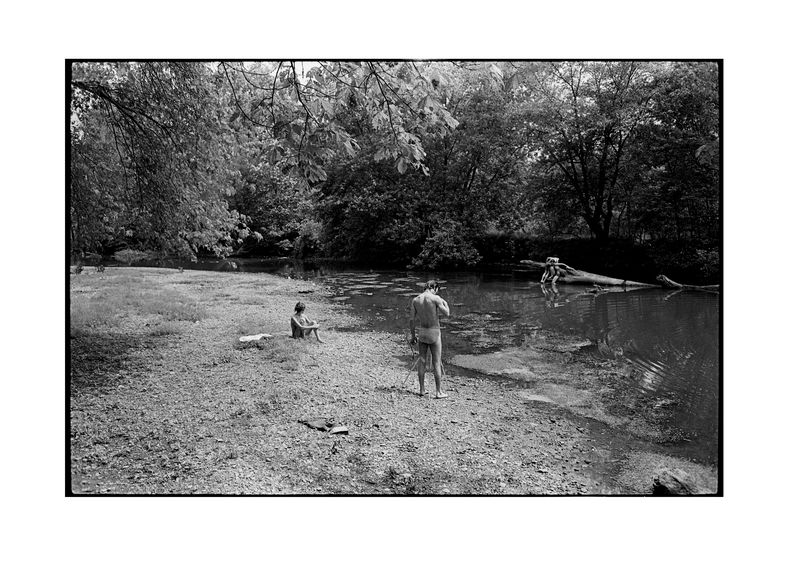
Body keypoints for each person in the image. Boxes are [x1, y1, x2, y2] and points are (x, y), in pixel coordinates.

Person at [409, 280, 450, 398]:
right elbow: (447, 313)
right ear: (434, 288)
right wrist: (444, 301)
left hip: (422, 333)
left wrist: (413, 336)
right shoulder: (435, 298)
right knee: (436, 362)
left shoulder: (416, 300)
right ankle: (438, 392)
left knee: (422, 361)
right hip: (434, 332)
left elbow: (411, 320)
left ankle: (422, 390)